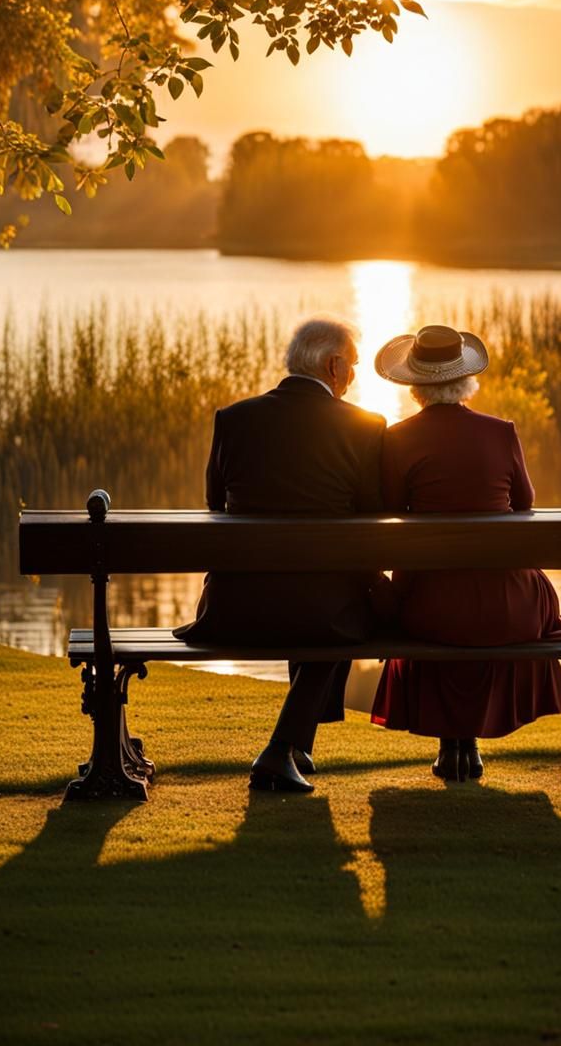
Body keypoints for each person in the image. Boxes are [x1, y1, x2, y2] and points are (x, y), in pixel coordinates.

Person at [174, 316, 386, 793]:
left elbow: (215, 506)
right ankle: (282, 748)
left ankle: (297, 747)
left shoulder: (234, 420)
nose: (354, 376)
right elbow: (373, 523)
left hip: (233, 610)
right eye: (353, 365)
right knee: (337, 610)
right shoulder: (364, 427)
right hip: (323, 616)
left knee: (317, 598)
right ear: (333, 366)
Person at [370, 324, 561, 783]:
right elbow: (524, 505)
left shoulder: (398, 438)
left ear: (416, 385)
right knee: (505, 594)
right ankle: (467, 744)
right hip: (507, 608)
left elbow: (390, 518)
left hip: (432, 611)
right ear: (465, 379)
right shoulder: (501, 432)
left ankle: (453, 746)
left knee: (439, 600)